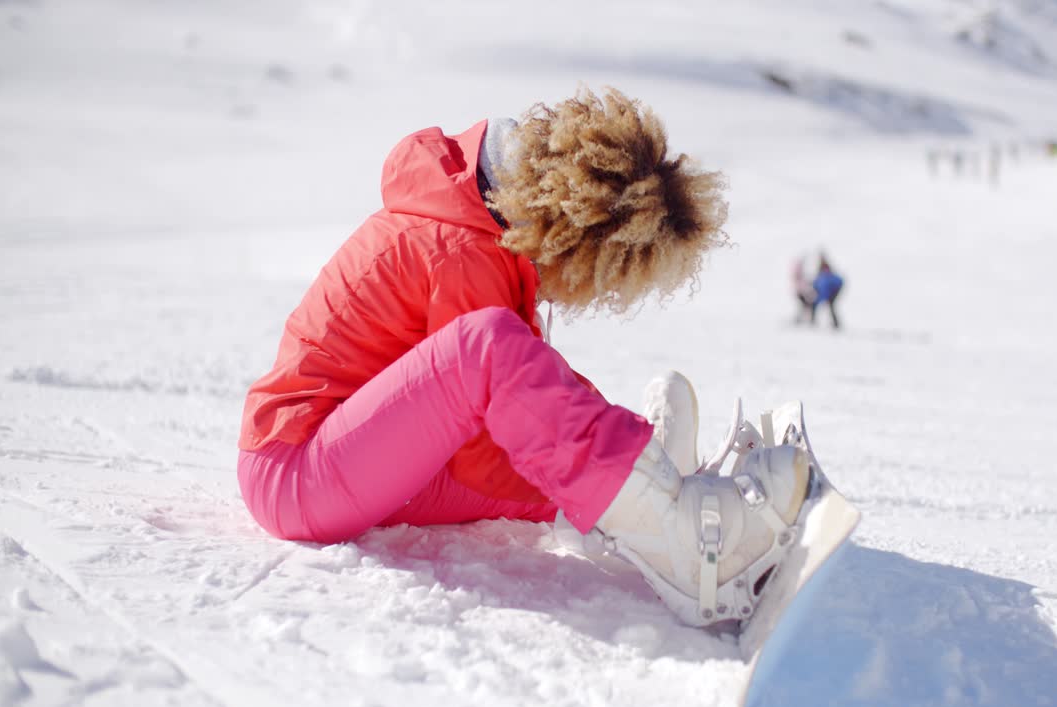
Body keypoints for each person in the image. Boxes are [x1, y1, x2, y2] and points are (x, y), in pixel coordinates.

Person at [236, 87, 810, 627]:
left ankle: (652, 493)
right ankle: (678, 537)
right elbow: (485, 448)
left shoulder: (476, 221)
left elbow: (525, 409)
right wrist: (611, 479)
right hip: (297, 471)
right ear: (581, 236)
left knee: (536, 410)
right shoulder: (459, 250)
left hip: (362, 462)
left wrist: (625, 458)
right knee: (488, 350)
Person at [809, 256, 845, 329]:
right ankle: (813, 321)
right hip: (827, 292)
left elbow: (838, 283)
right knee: (817, 304)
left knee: (830, 306)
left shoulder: (826, 278)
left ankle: (836, 324)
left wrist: (833, 293)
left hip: (831, 293)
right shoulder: (821, 278)